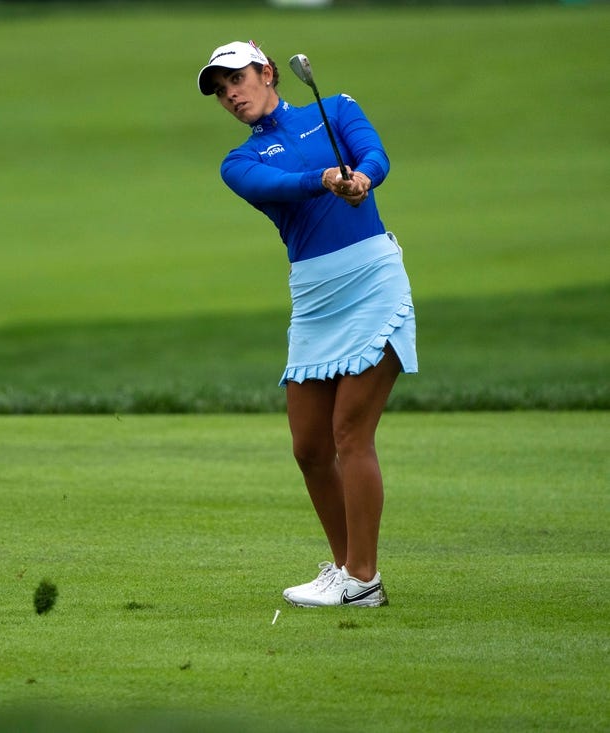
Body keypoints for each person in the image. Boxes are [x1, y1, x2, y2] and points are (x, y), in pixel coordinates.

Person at [196, 41, 417, 607]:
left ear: (268, 72)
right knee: (309, 446)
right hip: (315, 298)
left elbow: (376, 155)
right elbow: (274, 188)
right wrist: (323, 178)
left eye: (237, 80)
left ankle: (363, 580)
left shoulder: (335, 108)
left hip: (371, 280)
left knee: (350, 434)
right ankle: (346, 568)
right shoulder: (238, 162)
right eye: (221, 92)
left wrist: (361, 179)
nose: (231, 95)